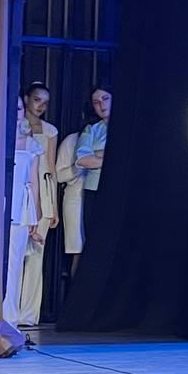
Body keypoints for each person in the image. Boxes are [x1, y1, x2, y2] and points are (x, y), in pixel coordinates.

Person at [18, 82, 59, 328]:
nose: (41, 106)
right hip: (21, 190)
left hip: (43, 191)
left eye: (45, 102)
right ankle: (8, 309)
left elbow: (51, 168)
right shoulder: (17, 124)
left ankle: (28, 313)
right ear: (26, 99)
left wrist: (53, 205)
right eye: (36, 100)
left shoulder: (50, 130)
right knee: (16, 254)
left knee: (35, 256)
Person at [4, 96, 44, 327]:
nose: (16, 112)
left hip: (21, 206)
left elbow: (34, 182)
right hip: (0, 204)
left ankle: (10, 316)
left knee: (15, 262)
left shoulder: (32, 144)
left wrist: (35, 216)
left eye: (19, 108)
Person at [74, 84, 111, 253]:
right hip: (94, 190)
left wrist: (98, 154)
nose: (101, 105)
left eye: (105, 99)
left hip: (121, 190)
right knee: (95, 241)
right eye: (96, 102)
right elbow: (83, 159)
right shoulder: (92, 130)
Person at [55, 130, 85, 275]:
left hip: (98, 200)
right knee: (79, 252)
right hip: (75, 200)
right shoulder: (72, 140)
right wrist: (79, 166)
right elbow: (59, 175)